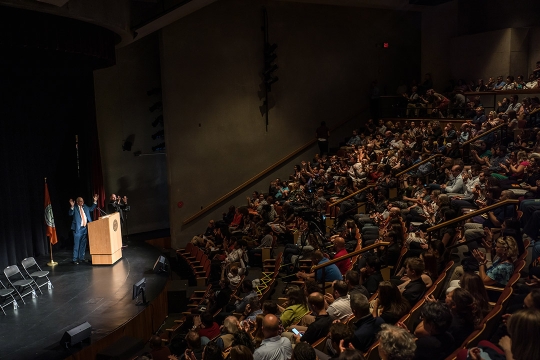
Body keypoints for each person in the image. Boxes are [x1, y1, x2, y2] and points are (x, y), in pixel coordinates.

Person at [68, 194, 98, 265]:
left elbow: (91, 209)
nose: (82, 202)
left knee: (83, 244)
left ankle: (81, 258)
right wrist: (72, 206)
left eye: (82, 201)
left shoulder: (85, 207)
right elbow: (70, 213)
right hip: (77, 229)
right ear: (77, 202)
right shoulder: (75, 208)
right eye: (80, 201)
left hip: (85, 228)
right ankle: (75, 259)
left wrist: (95, 201)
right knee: (77, 244)